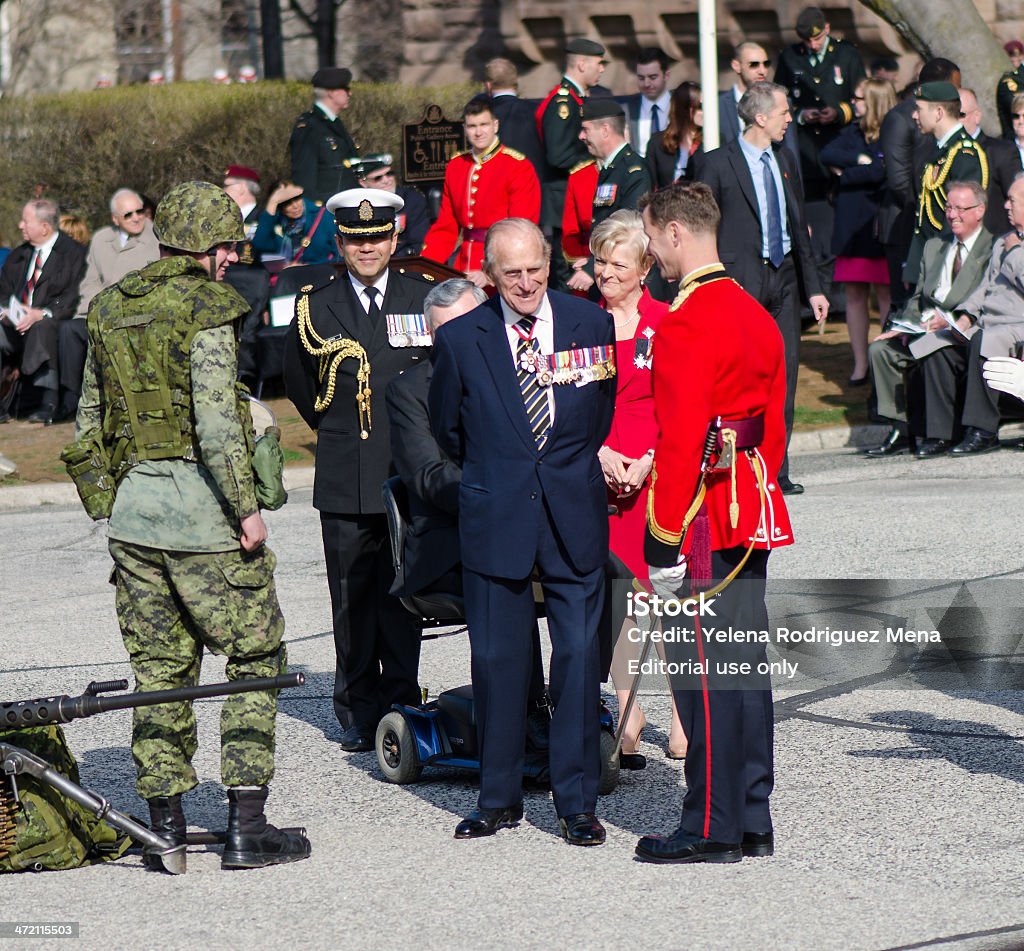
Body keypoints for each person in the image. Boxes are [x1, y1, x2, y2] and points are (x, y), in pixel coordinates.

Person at [72, 180, 310, 871]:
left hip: (134, 520)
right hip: (202, 516)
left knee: (159, 672)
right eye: (228, 244)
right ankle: (246, 825)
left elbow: (89, 424)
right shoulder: (208, 306)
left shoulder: (110, 306)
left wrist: (111, 507)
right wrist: (246, 508)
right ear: (203, 247)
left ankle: (165, 831)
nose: (235, 255)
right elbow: (214, 421)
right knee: (255, 657)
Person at [428, 218, 616, 846]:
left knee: (579, 662)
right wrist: (500, 471)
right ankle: (498, 797)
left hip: (573, 511)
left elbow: (600, 413)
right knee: (500, 663)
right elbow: (449, 429)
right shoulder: (461, 338)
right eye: (513, 274)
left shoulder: (590, 323)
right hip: (496, 512)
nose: (528, 282)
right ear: (489, 276)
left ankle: (577, 803)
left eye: (536, 268)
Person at [634, 181, 793, 864]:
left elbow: (680, 441)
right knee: (744, 667)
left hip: (702, 513)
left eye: (650, 237)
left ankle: (710, 823)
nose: (651, 254)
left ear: (674, 232)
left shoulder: (685, 321)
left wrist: (661, 536)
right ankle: (752, 814)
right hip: (750, 501)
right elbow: (776, 427)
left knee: (703, 673)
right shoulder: (754, 311)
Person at [283, 187, 433, 752]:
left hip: (405, 471)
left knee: (403, 593)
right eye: (355, 239)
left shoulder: (423, 297)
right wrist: (339, 432)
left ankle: (401, 697)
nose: (366, 248)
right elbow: (300, 384)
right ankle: (356, 706)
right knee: (349, 597)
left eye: (376, 238)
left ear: (394, 237)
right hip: (346, 469)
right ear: (339, 241)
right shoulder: (315, 303)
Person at [385, 277, 553, 747]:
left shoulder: (520, 370)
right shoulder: (409, 390)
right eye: (443, 331)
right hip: (449, 541)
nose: (454, 339)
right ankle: (523, 714)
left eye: (466, 325)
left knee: (596, 569)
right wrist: (502, 498)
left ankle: (574, 700)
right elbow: (428, 476)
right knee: (506, 575)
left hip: (524, 526)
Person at [695, 82, 828, 495]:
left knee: (784, 373)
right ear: (760, 117)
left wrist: (815, 287)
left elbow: (797, 224)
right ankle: (736, 466)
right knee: (740, 375)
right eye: (784, 111)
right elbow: (704, 229)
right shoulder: (716, 163)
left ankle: (777, 469)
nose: (790, 118)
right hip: (740, 283)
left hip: (784, 278)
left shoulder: (785, 158)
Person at [590, 210, 686, 765]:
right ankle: (628, 710)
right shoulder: (584, 323)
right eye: (600, 261)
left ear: (645, 267)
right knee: (622, 602)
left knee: (669, 601)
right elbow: (570, 404)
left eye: (617, 263)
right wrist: (601, 454)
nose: (605, 272)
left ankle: (682, 714)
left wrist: (650, 459)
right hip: (600, 471)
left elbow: (681, 404)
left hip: (658, 470)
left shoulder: (666, 321)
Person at [864, 181, 993, 457]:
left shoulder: (991, 249)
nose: (952, 214)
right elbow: (919, 297)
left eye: (960, 208)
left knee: (936, 348)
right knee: (880, 349)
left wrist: (948, 321)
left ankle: (941, 433)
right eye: (948, 207)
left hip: (963, 330)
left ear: (979, 211)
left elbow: (986, 300)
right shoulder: (935, 246)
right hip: (925, 327)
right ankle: (900, 426)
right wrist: (903, 325)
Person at [917, 173, 1024, 458]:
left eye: (1013, 200)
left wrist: (1015, 254)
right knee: (937, 345)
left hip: (1016, 325)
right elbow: (985, 287)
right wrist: (963, 317)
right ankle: (940, 432)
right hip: (988, 321)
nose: (1006, 206)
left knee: (985, 341)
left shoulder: (1011, 246)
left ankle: (983, 430)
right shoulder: (1005, 240)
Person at [59, 188, 160, 425]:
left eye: (139, 212)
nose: (136, 217)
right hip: (99, 311)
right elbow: (90, 280)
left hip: (135, 313)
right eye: (128, 215)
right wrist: (93, 310)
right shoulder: (101, 239)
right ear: (115, 219)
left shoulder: (156, 239)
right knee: (69, 330)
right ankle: (71, 399)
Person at [819, 78, 896, 384]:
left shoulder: (890, 134)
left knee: (886, 295)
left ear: (875, 101)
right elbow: (827, 155)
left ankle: (887, 361)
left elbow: (882, 171)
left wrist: (848, 174)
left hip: (877, 224)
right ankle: (860, 364)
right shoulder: (853, 132)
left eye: (860, 98)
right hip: (850, 225)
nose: (854, 102)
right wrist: (860, 161)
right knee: (854, 294)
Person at [422, 97, 541, 284]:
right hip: (463, 267)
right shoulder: (456, 166)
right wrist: (425, 266)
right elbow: (446, 227)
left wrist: (490, 274)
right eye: (471, 126)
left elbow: (521, 231)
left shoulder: (517, 166)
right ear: (464, 129)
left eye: (483, 124)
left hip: (502, 269)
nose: (478, 132)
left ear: (495, 125)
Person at [877, 57, 961, 311]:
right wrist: (930, 216)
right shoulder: (900, 118)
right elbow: (899, 181)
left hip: (938, 223)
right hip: (906, 223)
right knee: (906, 305)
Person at [0, 198, 87, 424]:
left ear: (45, 227)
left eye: (26, 221)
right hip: (14, 324)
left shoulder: (74, 255)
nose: (20, 225)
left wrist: (41, 312)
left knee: (42, 327)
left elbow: (73, 296)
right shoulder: (19, 255)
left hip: (52, 322)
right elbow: (3, 290)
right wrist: (6, 311)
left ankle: (47, 400)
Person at [774, 5, 866, 206]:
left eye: (817, 39)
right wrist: (800, 114)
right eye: (808, 41)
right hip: (806, 148)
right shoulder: (790, 57)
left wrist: (839, 113)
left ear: (827, 28)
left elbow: (861, 97)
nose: (813, 45)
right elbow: (780, 97)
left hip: (840, 141)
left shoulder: (847, 54)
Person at [536, 39, 607, 289]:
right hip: (562, 202)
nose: (602, 69)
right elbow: (558, 154)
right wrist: (595, 159)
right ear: (581, 64)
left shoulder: (576, 99)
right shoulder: (563, 102)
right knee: (568, 279)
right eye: (599, 64)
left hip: (576, 199)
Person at [905, 81, 988, 285]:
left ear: (939, 112)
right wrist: (914, 265)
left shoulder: (964, 153)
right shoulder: (940, 150)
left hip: (947, 266)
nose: (914, 115)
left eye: (919, 109)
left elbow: (964, 217)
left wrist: (939, 266)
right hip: (929, 259)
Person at [565, 99, 652, 296]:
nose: (581, 136)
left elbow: (628, 228)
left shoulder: (633, 170)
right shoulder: (612, 169)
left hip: (623, 278)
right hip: (608, 269)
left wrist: (591, 269)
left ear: (605, 130)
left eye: (585, 130)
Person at [222, 164, 271, 390]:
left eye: (226, 186)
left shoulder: (264, 218)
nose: (223, 191)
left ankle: (247, 376)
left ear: (242, 188)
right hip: (228, 284)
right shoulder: (225, 221)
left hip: (256, 285)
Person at [289, 67, 359, 204]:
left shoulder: (334, 123)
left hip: (343, 204)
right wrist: (315, 210)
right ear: (332, 93)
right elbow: (305, 175)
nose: (350, 93)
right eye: (346, 89)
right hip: (325, 209)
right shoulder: (310, 127)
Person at [959, 87, 1020, 237]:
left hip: (992, 243)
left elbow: (1018, 200)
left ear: (977, 116)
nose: (956, 121)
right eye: (951, 115)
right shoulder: (940, 153)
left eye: (961, 115)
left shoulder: (1001, 152)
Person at [353, 155, 431, 258]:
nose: (386, 180)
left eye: (389, 174)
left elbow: (418, 242)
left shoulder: (411, 200)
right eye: (378, 178)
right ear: (363, 182)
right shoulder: (358, 205)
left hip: (403, 261)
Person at [483, 58, 545, 181]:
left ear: (488, 85)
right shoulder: (538, 110)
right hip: (535, 185)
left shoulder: (484, 115)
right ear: (516, 83)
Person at [252, 181, 338, 266]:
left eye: (297, 198)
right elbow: (260, 244)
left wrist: (305, 267)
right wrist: (272, 202)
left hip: (320, 276)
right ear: (278, 207)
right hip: (285, 277)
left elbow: (340, 256)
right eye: (286, 202)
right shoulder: (274, 223)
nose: (295, 206)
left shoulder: (324, 217)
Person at [646, 81, 703, 189]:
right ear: (684, 108)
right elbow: (651, 185)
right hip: (665, 203)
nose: (705, 112)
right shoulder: (657, 143)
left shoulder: (713, 140)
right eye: (700, 107)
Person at [622, 48, 672, 158]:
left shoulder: (681, 105)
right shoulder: (626, 110)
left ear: (666, 75)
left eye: (653, 77)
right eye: (641, 78)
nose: (646, 83)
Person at [997, 43, 1024, 140]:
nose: (1016, 59)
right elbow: (1017, 105)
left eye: (1018, 55)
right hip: (1014, 144)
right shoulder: (1010, 80)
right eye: (1012, 56)